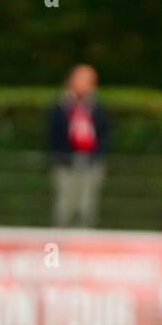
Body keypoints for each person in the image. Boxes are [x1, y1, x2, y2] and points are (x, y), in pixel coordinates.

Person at [47, 64, 110, 228]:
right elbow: (53, 133)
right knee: (64, 204)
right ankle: (60, 242)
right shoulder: (60, 106)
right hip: (65, 162)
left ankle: (83, 243)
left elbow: (104, 133)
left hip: (91, 163)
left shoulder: (97, 107)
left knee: (87, 206)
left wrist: (95, 156)